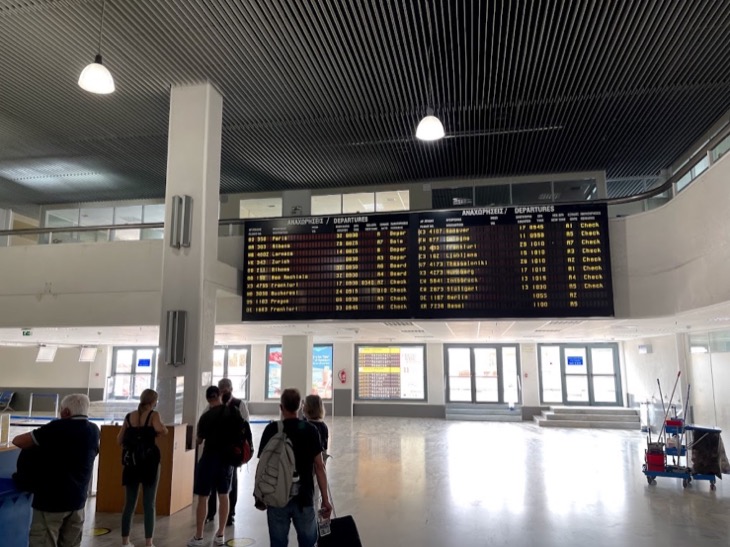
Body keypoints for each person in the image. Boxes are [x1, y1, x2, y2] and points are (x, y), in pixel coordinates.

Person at [12, 393, 100, 547]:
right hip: (77, 502)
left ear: (65, 412)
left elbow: (18, 441)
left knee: (44, 541)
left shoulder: (57, 428)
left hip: (51, 502)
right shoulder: (93, 430)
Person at [257, 388, 332, 547]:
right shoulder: (310, 431)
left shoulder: (271, 430)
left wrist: (260, 495)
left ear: (281, 407)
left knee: (278, 543)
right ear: (300, 407)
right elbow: (319, 467)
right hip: (304, 498)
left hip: (276, 497)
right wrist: (325, 500)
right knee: (308, 542)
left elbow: (262, 466)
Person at [188, 386, 246, 547]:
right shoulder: (233, 412)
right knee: (224, 495)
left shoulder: (206, 417)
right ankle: (220, 534)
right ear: (220, 396)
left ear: (207, 399)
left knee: (203, 498)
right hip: (227, 460)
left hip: (208, 459)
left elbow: (199, 440)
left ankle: (199, 536)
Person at [118, 389, 168, 547]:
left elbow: (119, 439)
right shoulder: (154, 415)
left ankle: (125, 541)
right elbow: (160, 429)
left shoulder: (129, 416)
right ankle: (149, 542)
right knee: (149, 503)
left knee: (129, 504)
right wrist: (162, 430)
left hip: (131, 463)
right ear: (153, 402)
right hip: (149, 463)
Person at [206, 377, 251, 526]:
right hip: (214, 450)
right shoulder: (212, 406)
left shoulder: (239, 404)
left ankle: (230, 514)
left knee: (231, 483)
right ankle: (211, 512)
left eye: (226, 390)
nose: (223, 392)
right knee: (212, 483)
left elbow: (246, 426)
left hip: (232, 451)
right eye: (221, 390)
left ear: (231, 389)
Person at [302, 394, 329, 462]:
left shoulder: (303, 425)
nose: (302, 407)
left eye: (304, 404)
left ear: (308, 407)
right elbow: (324, 450)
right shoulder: (324, 426)